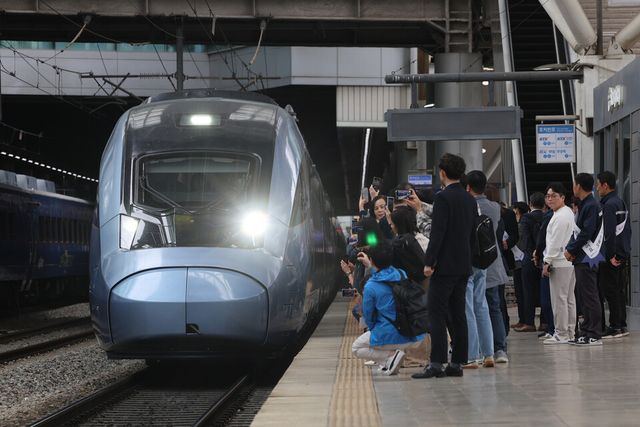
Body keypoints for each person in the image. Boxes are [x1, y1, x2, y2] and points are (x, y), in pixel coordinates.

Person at [412, 153, 477, 379]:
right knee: (458, 314)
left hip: (445, 267)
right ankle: (457, 363)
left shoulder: (443, 198)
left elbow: (438, 233)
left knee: (436, 313)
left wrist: (429, 262)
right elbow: (471, 234)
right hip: (463, 266)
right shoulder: (469, 199)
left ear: (442, 173)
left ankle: (437, 363)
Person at [351, 241, 425, 375]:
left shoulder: (370, 286)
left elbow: (368, 316)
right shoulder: (401, 274)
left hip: (388, 335)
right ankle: (389, 362)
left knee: (356, 347)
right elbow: (385, 276)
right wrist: (371, 265)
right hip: (412, 333)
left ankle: (390, 357)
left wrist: (374, 331)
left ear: (372, 260)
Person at [461, 171, 496, 369]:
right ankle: (488, 353)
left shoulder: (463, 203)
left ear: (467, 187)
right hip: (483, 259)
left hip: (467, 259)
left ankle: (472, 355)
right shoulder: (489, 206)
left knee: (468, 307)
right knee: (481, 305)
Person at [565, 173, 603, 346]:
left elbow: (587, 232)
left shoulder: (591, 205)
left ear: (578, 186)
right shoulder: (585, 204)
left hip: (589, 256)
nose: (573, 187)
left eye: (574, 184)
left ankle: (594, 333)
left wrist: (571, 249)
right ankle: (586, 331)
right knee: (584, 296)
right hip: (582, 256)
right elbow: (578, 232)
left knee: (590, 296)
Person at [596, 171, 632, 338]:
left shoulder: (609, 205)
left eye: (598, 185)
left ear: (605, 185)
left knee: (610, 290)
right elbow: (625, 230)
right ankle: (622, 325)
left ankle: (615, 326)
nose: (597, 188)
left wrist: (610, 255)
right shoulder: (620, 202)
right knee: (618, 290)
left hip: (611, 255)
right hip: (622, 253)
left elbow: (609, 233)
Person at [542, 182, 576, 345]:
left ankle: (561, 334)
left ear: (562, 197)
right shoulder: (567, 212)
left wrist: (547, 260)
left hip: (560, 262)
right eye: (548, 196)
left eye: (554, 196)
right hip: (568, 262)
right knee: (568, 299)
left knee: (559, 300)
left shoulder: (561, 216)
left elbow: (555, 242)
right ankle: (569, 332)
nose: (550, 199)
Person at [515, 195, 545, 332]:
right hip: (543, 256)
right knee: (544, 290)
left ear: (530, 204)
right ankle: (544, 322)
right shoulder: (547, 216)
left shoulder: (526, 218)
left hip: (528, 257)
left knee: (528, 291)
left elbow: (524, 239)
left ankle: (529, 322)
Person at [389, 206, 428, 283]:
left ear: (398, 225)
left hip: (421, 281)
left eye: (392, 224)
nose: (391, 227)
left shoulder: (420, 241)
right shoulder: (399, 240)